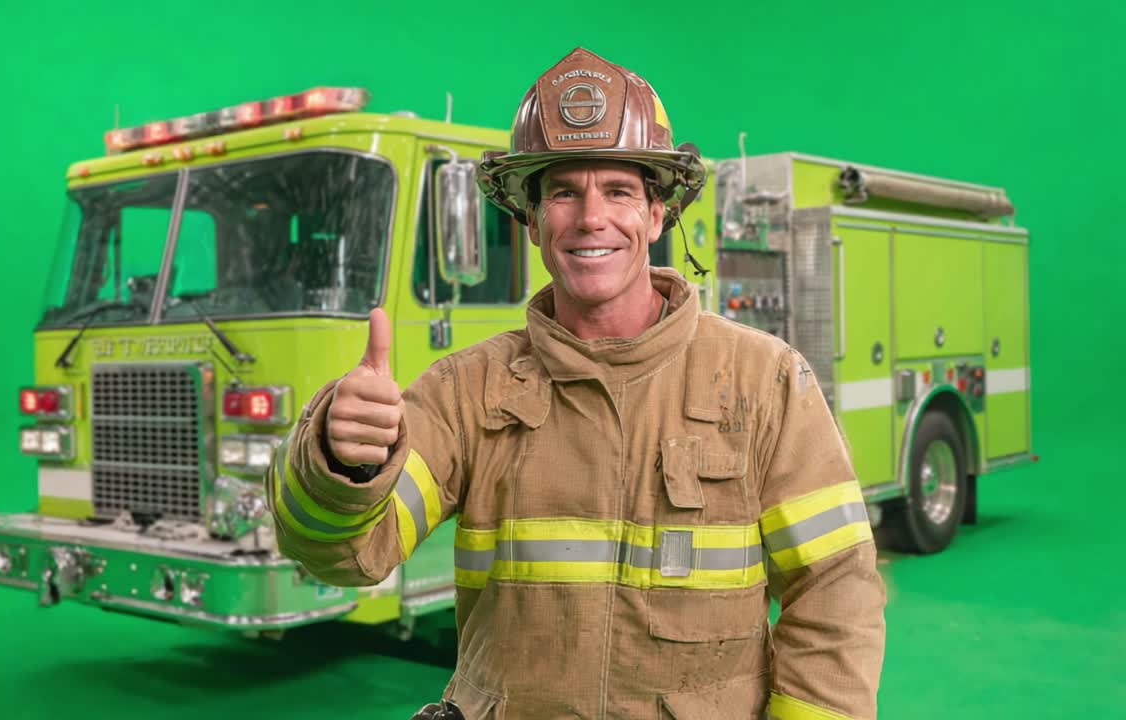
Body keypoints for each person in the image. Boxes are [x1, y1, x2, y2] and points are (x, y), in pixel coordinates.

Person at [269, 47, 886, 720]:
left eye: (618, 190)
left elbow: (836, 591)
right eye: (563, 192)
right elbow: (345, 557)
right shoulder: (466, 391)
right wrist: (342, 461)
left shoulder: (764, 382)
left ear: (656, 215)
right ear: (532, 221)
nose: (592, 218)